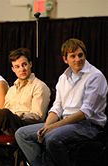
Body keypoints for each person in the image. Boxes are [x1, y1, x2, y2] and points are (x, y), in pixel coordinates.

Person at [15, 38, 108, 166]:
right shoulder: (63, 78)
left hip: (88, 125)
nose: (78, 59)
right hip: (65, 123)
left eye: (80, 55)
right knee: (21, 134)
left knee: (52, 137)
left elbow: (84, 113)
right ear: (65, 59)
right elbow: (57, 107)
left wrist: (53, 127)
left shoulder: (95, 76)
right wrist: (46, 126)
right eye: (73, 56)